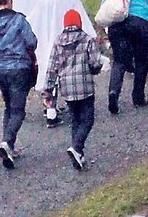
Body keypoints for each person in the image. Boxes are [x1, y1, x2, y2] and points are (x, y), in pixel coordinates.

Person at [0, 0, 38, 170]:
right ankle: (7, 142)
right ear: (10, 2)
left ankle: (8, 145)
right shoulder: (19, 20)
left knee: (7, 106)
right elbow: (31, 42)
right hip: (19, 68)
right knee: (18, 109)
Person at [44, 9, 104, 171]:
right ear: (79, 22)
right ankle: (77, 148)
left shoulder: (58, 42)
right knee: (88, 119)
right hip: (85, 87)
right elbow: (95, 62)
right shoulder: (86, 39)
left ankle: (78, 154)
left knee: (75, 120)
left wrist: (48, 91)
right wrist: (95, 70)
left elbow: (51, 68)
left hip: (67, 90)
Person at [29, 0, 95, 104]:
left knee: (50, 72)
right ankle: (74, 103)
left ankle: (50, 108)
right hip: (72, 44)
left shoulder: (44, 0)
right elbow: (83, 19)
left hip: (49, 43)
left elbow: (33, 22)